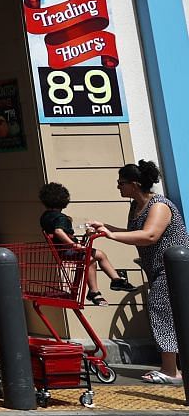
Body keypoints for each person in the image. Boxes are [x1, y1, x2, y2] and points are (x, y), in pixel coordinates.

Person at [86, 160, 187, 384]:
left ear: (134, 184)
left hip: (173, 269)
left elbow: (149, 235)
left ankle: (171, 371)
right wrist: (107, 228)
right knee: (170, 314)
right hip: (157, 268)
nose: (118, 187)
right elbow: (134, 233)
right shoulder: (135, 206)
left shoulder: (159, 206)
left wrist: (110, 235)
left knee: (160, 310)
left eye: (121, 183)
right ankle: (172, 367)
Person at [37, 181, 129, 305]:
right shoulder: (60, 218)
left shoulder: (45, 217)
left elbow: (57, 234)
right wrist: (73, 245)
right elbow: (58, 232)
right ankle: (105, 286)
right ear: (63, 201)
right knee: (95, 257)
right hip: (68, 251)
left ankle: (108, 284)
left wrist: (83, 237)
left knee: (95, 256)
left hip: (62, 250)